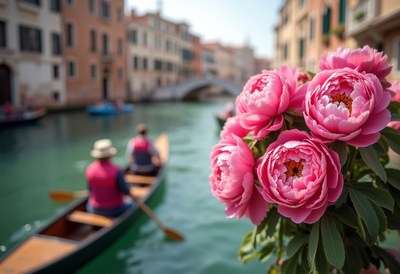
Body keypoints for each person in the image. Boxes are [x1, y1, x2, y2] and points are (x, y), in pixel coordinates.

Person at [86, 139, 133, 217]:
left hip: (94, 209)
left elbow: (90, 190)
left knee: (89, 202)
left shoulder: (89, 169)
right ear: (110, 155)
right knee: (131, 203)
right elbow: (126, 191)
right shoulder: (117, 171)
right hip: (114, 210)